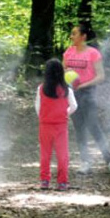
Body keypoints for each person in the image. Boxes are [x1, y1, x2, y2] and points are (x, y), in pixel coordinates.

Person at [63, 23, 110, 176]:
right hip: (72, 94)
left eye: (74, 33)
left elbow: (101, 76)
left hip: (88, 93)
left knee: (94, 127)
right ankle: (85, 163)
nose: (71, 36)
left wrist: (82, 85)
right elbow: (63, 72)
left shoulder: (93, 53)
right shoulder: (68, 52)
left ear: (83, 37)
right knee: (79, 128)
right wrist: (66, 74)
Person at [35, 59, 77, 191]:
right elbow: (74, 106)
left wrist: (44, 117)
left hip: (45, 125)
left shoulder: (41, 88)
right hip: (61, 126)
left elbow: (38, 107)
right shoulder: (66, 90)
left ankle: (44, 181)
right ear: (61, 72)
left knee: (45, 153)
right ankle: (62, 182)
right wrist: (65, 113)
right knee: (62, 154)